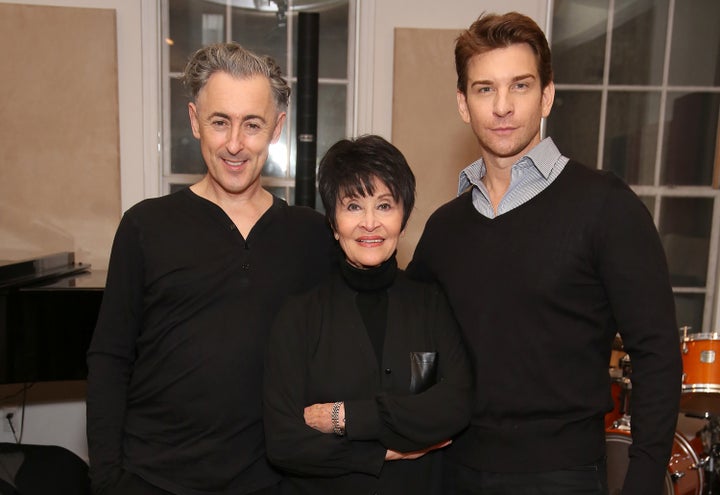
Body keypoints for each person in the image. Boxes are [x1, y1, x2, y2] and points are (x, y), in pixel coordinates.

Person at [406, 11, 683, 495]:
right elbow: (415, 349)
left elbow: (657, 352)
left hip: (563, 476)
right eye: (485, 89)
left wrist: (643, 480)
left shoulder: (605, 206)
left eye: (521, 85)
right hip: (453, 473)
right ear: (463, 104)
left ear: (547, 95)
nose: (503, 106)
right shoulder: (444, 229)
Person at [86, 42, 337, 495]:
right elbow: (109, 359)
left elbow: (341, 351)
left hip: (273, 480)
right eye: (220, 122)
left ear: (277, 128)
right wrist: (106, 479)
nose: (235, 144)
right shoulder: (145, 225)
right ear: (194, 121)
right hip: (152, 479)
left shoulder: (312, 235)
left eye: (252, 124)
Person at [262, 134, 472, 494]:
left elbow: (454, 405)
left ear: (403, 218)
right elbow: (284, 441)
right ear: (332, 221)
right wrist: (381, 453)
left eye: (385, 205)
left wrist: (343, 418)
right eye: (354, 206)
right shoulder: (300, 315)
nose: (370, 223)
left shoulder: (431, 305)